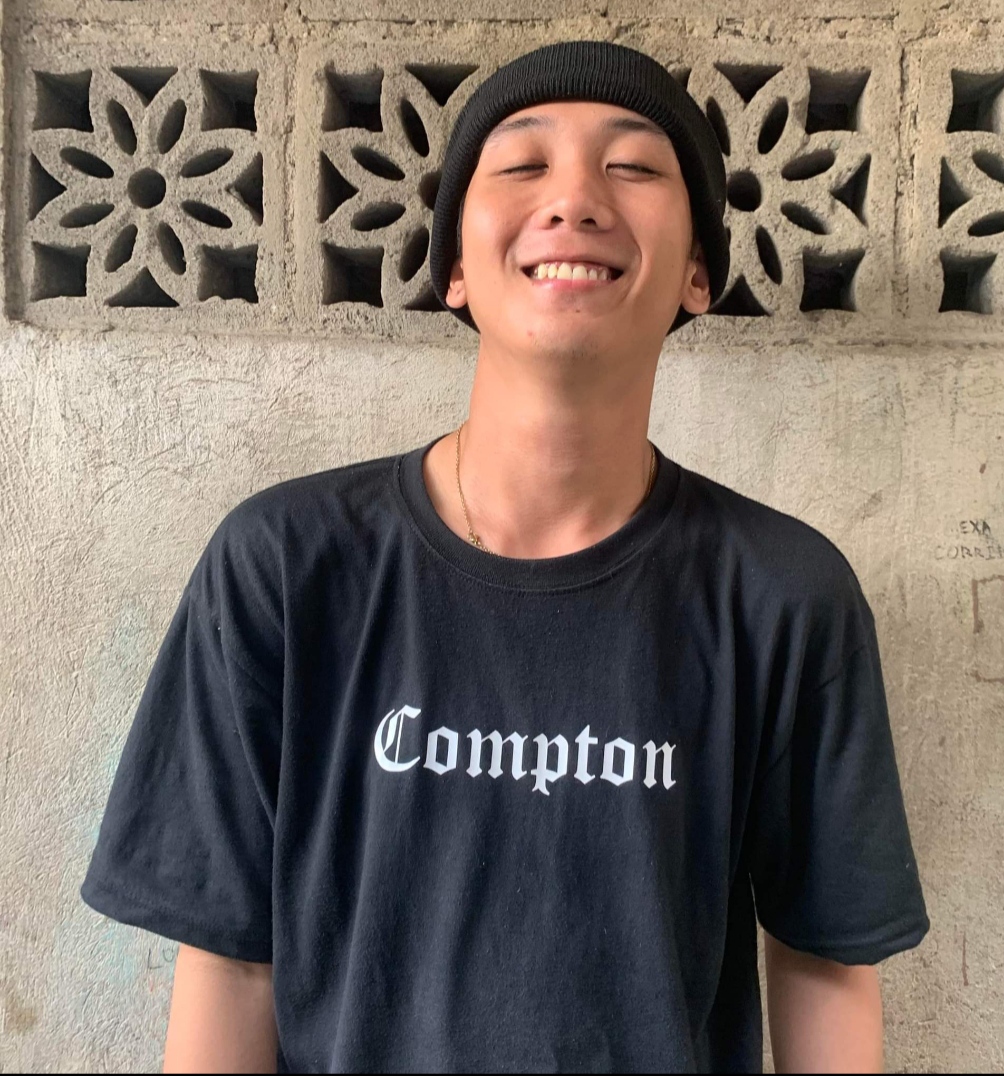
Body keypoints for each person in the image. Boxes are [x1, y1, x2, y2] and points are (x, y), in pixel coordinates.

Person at [80, 39, 929, 1073]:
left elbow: (825, 959)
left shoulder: (784, 594)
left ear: (699, 272)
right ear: (452, 268)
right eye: (523, 165)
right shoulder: (285, 567)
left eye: (634, 167)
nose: (573, 199)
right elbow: (231, 964)